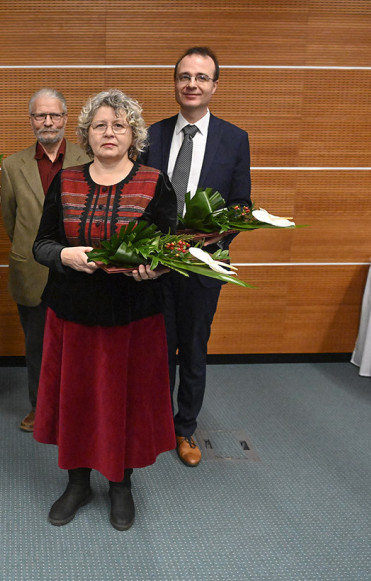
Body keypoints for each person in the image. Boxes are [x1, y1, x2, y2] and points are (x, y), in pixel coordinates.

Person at [32, 89, 177, 531]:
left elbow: (173, 253)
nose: (109, 132)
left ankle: (120, 484)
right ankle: (77, 484)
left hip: (131, 318)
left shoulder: (155, 182)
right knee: (76, 403)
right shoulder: (65, 180)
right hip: (72, 315)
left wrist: (156, 269)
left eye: (118, 125)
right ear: (87, 134)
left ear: (133, 134)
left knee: (123, 405)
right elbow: (41, 244)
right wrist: (64, 255)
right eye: (100, 125)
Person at [143, 47, 251, 468]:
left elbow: (241, 205)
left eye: (201, 77)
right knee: (156, 350)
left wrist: (214, 236)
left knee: (192, 349)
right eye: (184, 76)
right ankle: (155, 424)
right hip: (156, 266)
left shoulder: (234, 138)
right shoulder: (151, 135)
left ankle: (184, 427)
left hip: (204, 266)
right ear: (175, 83)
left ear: (214, 86)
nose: (192, 84)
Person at [0, 88, 90, 432]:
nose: (48, 122)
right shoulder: (12, 166)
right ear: (31, 120)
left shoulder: (88, 158)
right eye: (40, 115)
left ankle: (75, 407)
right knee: (37, 344)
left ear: (65, 118)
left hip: (78, 268)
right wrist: (30, 247)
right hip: (31, 268)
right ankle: (39, 408)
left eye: (54, 115)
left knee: (77, 345)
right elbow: (11, 219)